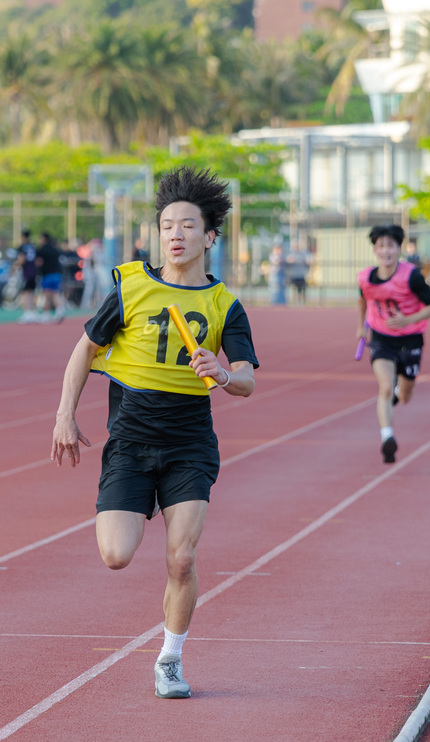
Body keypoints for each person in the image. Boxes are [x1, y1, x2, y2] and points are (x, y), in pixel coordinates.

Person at [50, 166, 258, 700]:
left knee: (181, 558)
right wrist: (64, 415)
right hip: (131, 442)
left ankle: (170, 658)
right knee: (116, 555)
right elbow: (85, 349)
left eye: (188, 225)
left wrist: (224, 373)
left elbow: (249, 382)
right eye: (168, 224)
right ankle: (129, 508)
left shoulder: (223, 305)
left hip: (189, 444)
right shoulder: (131, 286)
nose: (176, 234)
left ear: (210, 236)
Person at [357, 223, 430, 464]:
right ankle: (387, 438)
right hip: (382, 339)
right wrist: (360, 326)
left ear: (398, 249)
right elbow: (363, 299)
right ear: (375, 249)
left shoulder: (411, 276)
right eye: (381, 246)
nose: (386, 251)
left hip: (411, 340)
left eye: (390, 246)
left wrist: (407, 319)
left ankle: (397, 392)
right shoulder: (365, 277)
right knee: (384, 387)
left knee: (404, 395)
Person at [35, 232, 64, 323]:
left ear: (44, 239)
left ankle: (46, 315)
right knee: (55, 294)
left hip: (47, 274)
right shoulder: (55, 249)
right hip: (57, 274)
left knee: (47, 295)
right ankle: (60, 311)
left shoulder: (42, 250)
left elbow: (38, 262)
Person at [15, 230, 39, 322]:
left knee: (24, 293)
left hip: (26, 273)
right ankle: (33, 312)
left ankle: (27, 313)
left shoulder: (22, 247)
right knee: (31, 293)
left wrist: (16, 266)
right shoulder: (33, 246)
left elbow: (22, 259)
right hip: (34, 272)